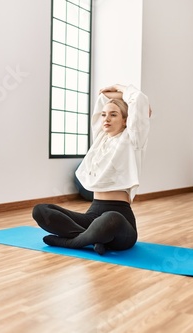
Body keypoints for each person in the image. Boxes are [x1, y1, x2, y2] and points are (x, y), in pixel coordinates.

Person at [32, 84, 151, 255]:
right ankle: (91, 239)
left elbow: (139, 100)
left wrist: (119, 88)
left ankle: (74, 242)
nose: (106, 119)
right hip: (92, 214)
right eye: (104, 115)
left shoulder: (132, 140)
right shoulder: (99, 139)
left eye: (113, 115)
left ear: (126, 120)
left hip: (119, 220)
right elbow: (102, 98)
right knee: (41, 211)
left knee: (110, 219)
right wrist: (108, 95)